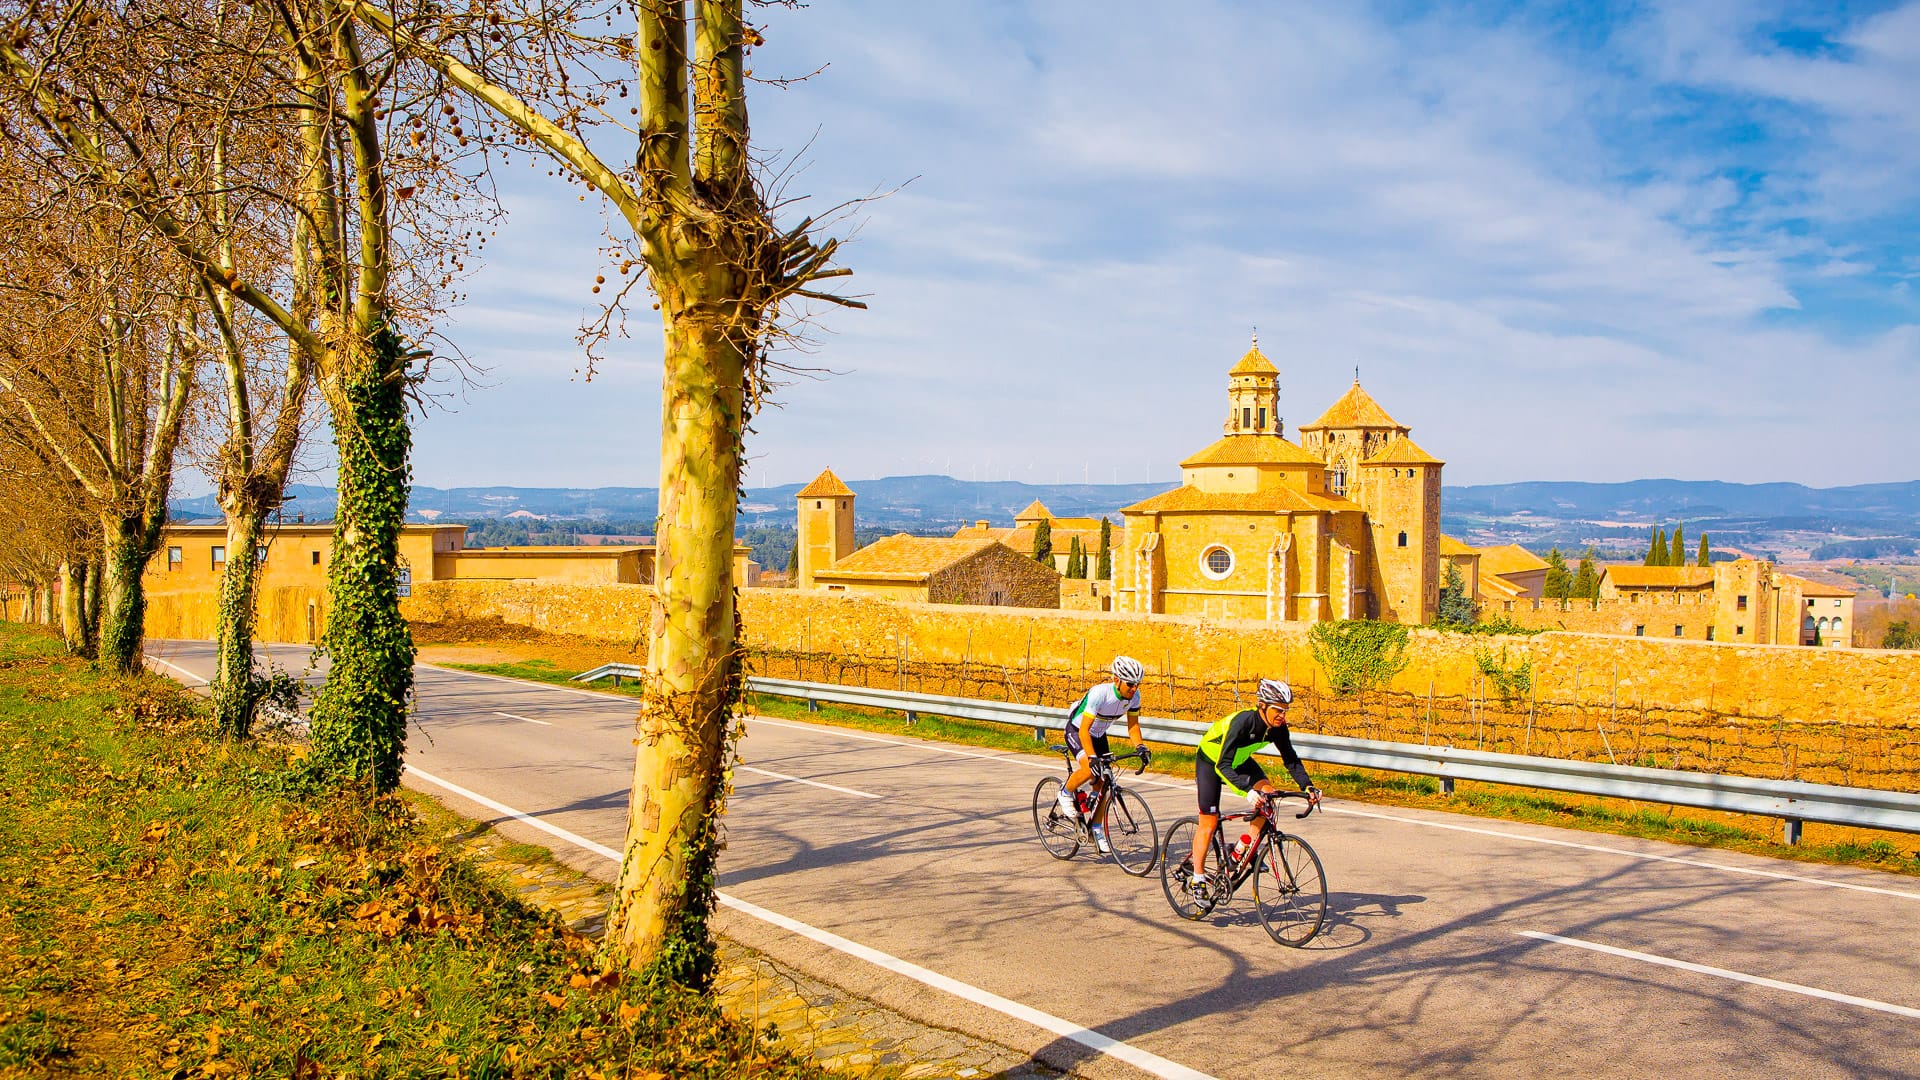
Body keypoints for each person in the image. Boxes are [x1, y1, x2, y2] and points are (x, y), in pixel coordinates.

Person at [1179, 678, 1320, 894]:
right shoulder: (1244, 722)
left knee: (1268, 796)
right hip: (1212, 760)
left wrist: (1307, 786)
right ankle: (1197, 877)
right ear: (1262, 705)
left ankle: (1240, 852)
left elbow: (1290, 758)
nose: (1282, 715)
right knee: (1208, 822)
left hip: (1239, 759)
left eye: (1285, 710)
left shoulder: (1278, 729)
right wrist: (1247, 792)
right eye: (1278, 710)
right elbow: (1223, 764)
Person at [1054, 655, 1150, 853]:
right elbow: (1083, 730)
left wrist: (1140, 746)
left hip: (1098, 735)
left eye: (1137, 684)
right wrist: (1091, 757)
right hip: (1077, 730)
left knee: (1105, 784)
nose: (1134, 689)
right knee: (1089, 769)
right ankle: (1065, 792)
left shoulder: (1134, 697)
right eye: (1130, 684)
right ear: (1117, 680)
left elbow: (1133, 726)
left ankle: (1096, 829)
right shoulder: (1100, 694)